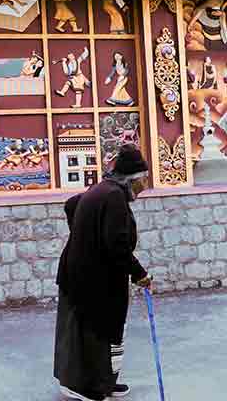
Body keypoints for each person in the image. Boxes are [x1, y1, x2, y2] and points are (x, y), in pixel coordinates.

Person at [54, 144, 153, 401]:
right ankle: (84, 387)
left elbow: (72, 205)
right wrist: (139, 274)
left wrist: (83, 235)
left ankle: (105, 382)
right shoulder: (113, 196)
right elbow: (117, 245)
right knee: (93, 332)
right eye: (143, 179)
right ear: (132, 179)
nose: (144, 186)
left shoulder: (102, 189)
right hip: (89, 277)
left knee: (103, 330)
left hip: (89, 273)